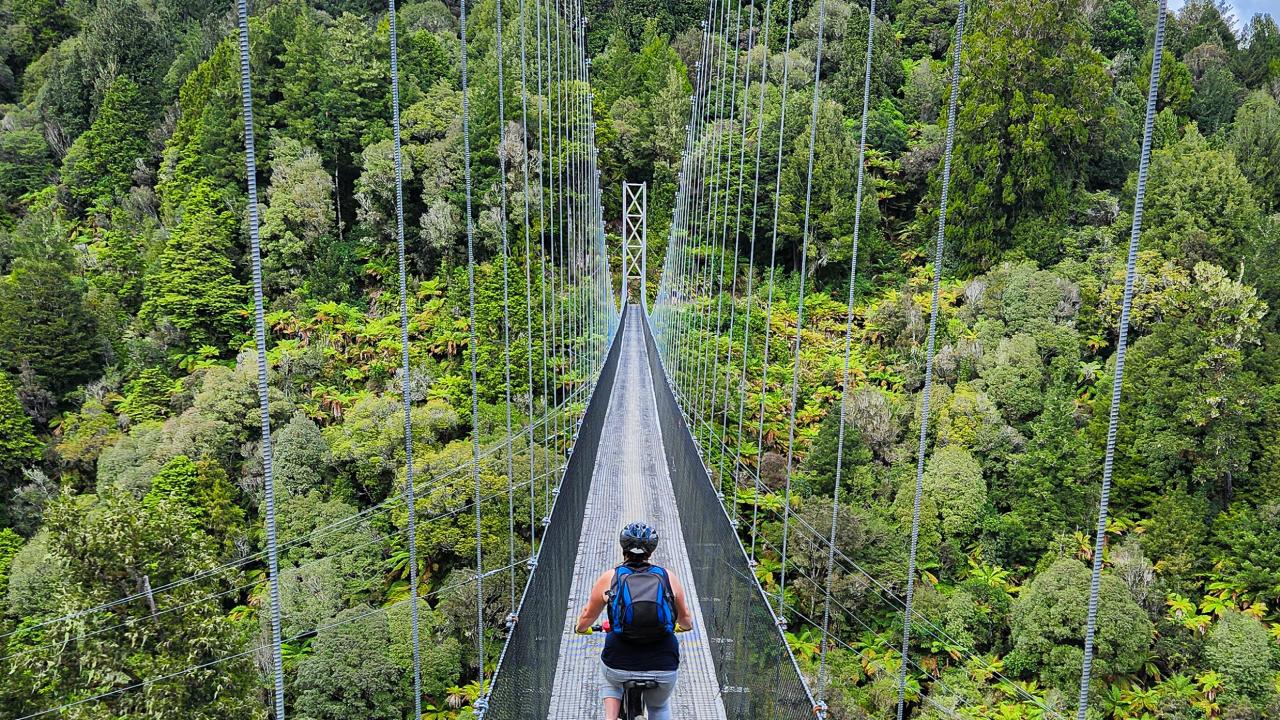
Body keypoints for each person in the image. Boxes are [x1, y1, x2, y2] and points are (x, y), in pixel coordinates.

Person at [575, 522, 694, 720]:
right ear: (652, 549)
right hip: (663, 664)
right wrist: (680, 626)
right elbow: (687, 621)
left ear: (623, 547)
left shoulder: (610, 577)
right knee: (659, 708)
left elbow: (588, 615)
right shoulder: (667, 577)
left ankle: (610, 718)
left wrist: (580, 629)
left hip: (619, 661)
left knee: (610, 681)